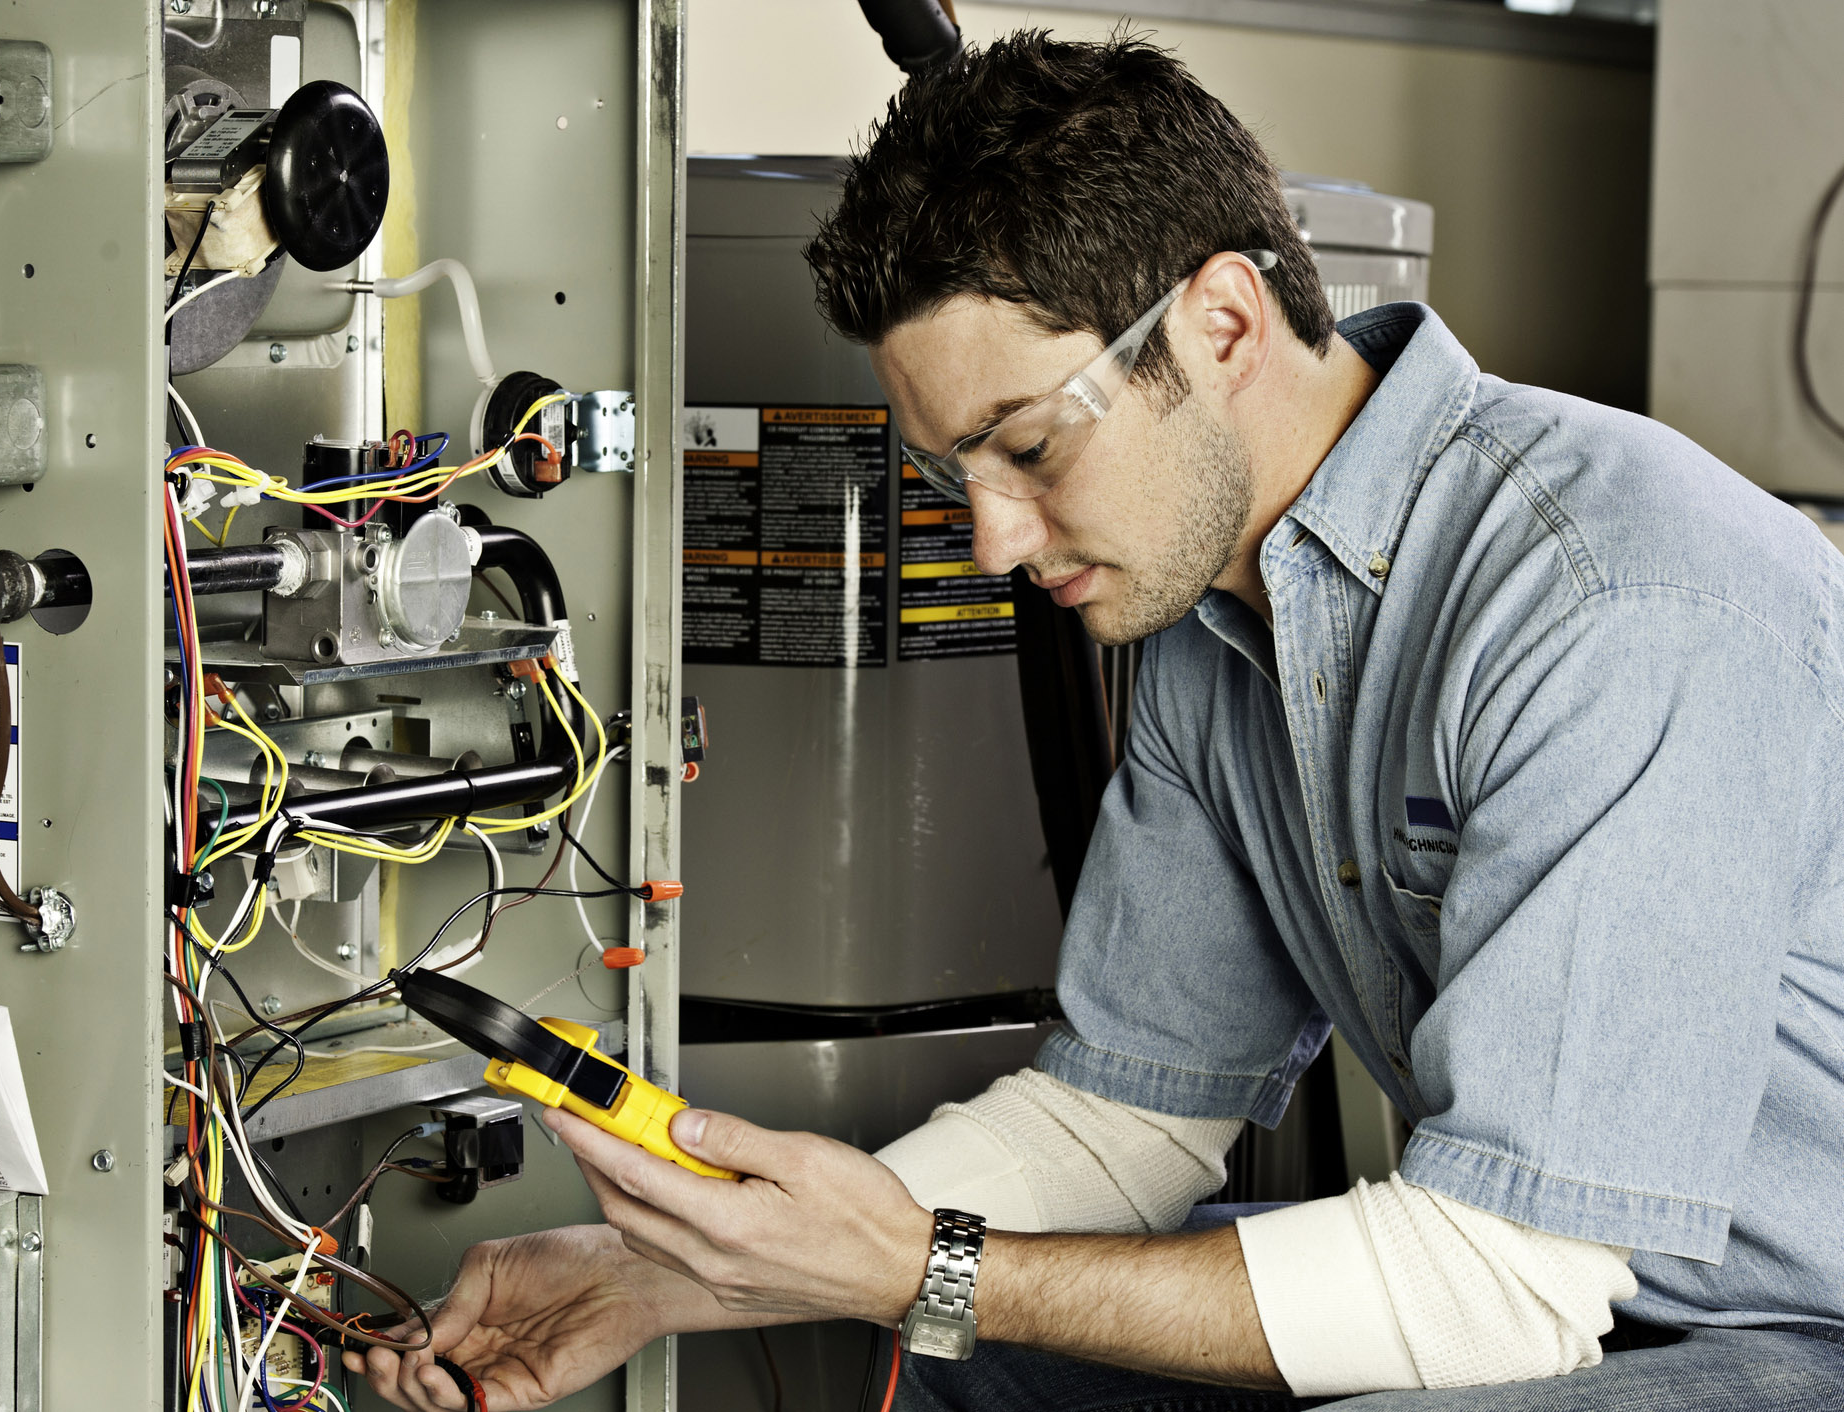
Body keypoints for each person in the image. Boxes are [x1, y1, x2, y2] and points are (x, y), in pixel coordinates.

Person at [345, 31, 1844, 1411]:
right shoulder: (1216, 615)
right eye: (953, 475)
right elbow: (1122, 1123)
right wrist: (670, 1274)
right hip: (1611, 1294)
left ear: (1221, 320)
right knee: (956, 1360)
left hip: (1792, 1326)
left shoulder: (1612, 604)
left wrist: (915, 1266)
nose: (991, 542)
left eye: (1028, 446)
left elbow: (1503, 1289)